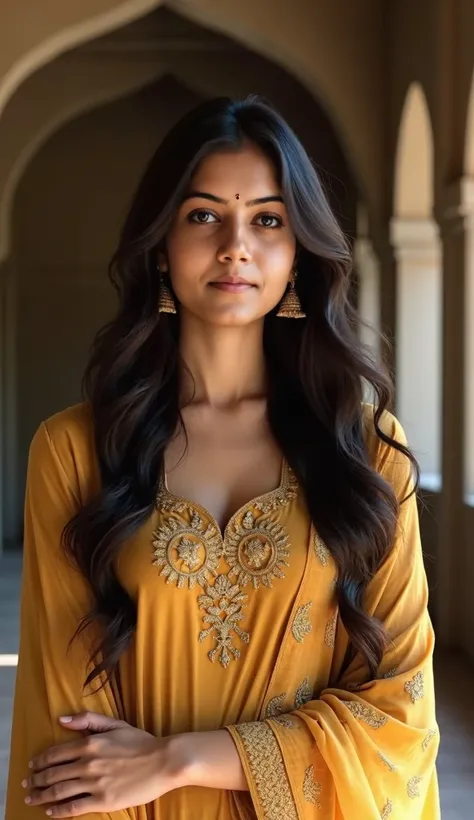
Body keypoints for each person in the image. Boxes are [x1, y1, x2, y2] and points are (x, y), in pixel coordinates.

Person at [6, 96, 440, 820]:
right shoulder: (75, 451)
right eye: (204, 215)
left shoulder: (363, 451)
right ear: (160, 244)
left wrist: (180, 757)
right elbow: (70, 743)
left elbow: (401, 712)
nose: (236, 245)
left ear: (297, 249)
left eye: (267, 219)